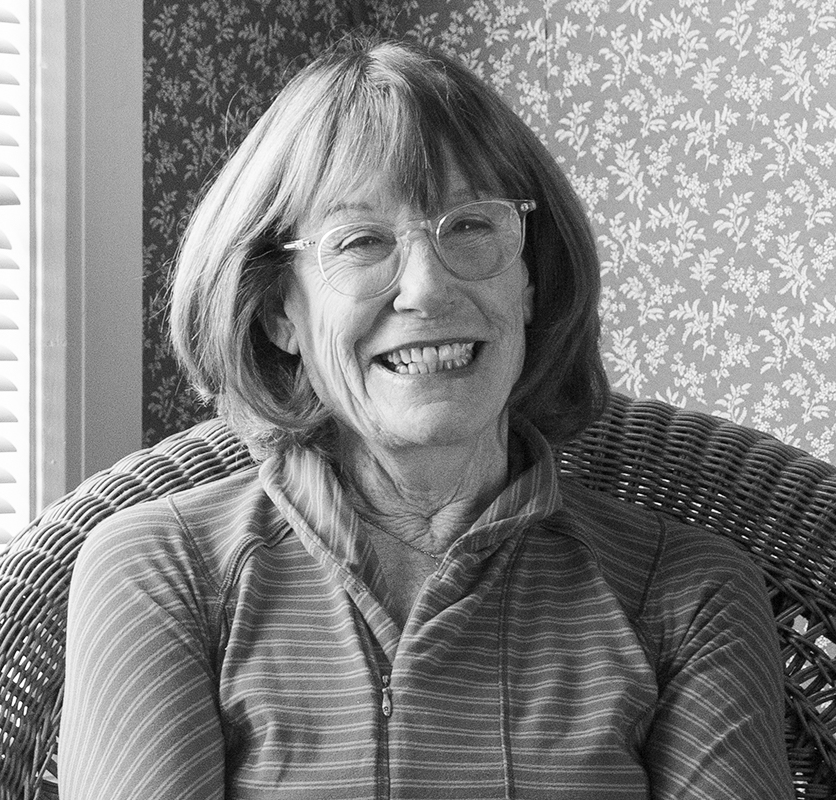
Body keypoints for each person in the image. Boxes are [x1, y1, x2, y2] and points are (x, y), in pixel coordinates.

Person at [45, 36, 789, 800]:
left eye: (470, 226)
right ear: (277, 313)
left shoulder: (689, 594)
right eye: (361, 241)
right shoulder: (164, 572)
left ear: (530, 281)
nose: (428, 289)